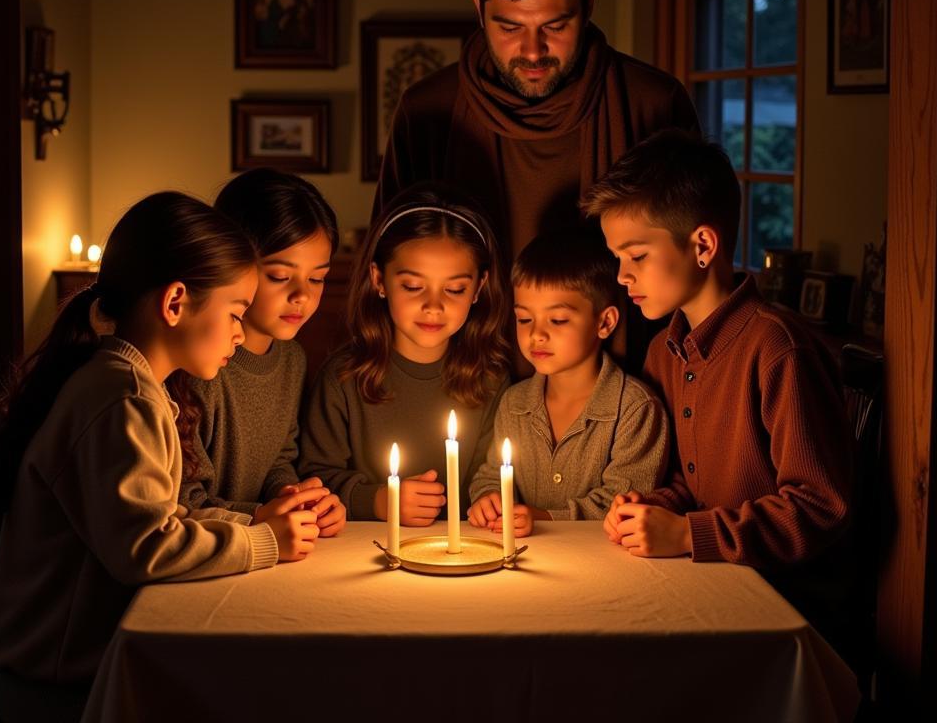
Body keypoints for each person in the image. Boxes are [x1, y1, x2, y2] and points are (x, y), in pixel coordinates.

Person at [0, 192, 327, 722]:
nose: (240, 331)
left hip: (77, 674)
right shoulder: (122, 399)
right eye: (235, 312)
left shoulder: (136, 386)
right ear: (175, 303)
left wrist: (254, 521)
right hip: (57, 691)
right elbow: (144, 547)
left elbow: (163, 519)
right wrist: (261, 541)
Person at [375, 0, 699, 372]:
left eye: (555, 26)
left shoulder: (654, 103)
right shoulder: (428, 110)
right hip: (464, 388)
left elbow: (692, 274)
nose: (532, 51)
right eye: (509, 26)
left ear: (589, 3)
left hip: (620, 393)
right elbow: (390, 267)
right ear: (477, 7)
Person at [584, 131, 854, 649]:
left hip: (784, 613)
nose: (621, 276)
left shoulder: (778, 350)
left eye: (636, 256)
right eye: (617, 257)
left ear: (702, 245)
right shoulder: (664, 351)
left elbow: (821, 505)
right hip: (709, 585)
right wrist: (653, 509)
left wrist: (688, 534)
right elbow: (697, 487)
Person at [299, 186, 510, 524]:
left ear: (478, 289)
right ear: (379, 279)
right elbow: (312, 477)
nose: (433, 306)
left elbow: (492, 479)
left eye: (455, 289)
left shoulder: (491, 379)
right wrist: (378, 501)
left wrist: (491, 505)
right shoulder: (344, 377)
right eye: (413, 286)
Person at [172, 170, 345, 537]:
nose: (302, 295)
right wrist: (263, 516)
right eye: (280, 277)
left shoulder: (292, 360)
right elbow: (183, 503)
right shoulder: (198, 363)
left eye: (317, 278)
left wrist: (295, 497)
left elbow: (279, 457)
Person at [467, 229, 668, 537]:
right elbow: (492, 473)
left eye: (557, 320)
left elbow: (623, 502)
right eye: (524, 319)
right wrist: (488, 499)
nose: (537, 334)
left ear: (605, 323)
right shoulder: (514, 403)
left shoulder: (635, 409)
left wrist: (545, 517)